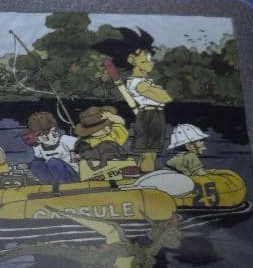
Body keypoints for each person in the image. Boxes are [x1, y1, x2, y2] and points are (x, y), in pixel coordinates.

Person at [92, 28, 171, 173]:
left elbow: (163, 96)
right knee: (149, 153)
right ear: (132, 60)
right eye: (145, 60)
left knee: (148, 153)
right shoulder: (139, 84)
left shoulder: (143, 81)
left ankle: (142, 174)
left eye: (150, 60)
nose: (150, 63)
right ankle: (147, 178)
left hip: (152, 115)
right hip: (150, 116)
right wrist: (157, 91)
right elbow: (165, 97)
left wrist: (156, 91)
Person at [24, 111, 79, 184]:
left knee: (53, 162)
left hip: (72, 174)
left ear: (54, 129)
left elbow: (83, 146)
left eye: (47, 133)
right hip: (55, 176)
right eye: (40, 136)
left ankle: (65, 184)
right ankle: (52, 185)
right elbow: (38, 161)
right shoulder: (39, 147)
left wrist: (77, 155)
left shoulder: (64, 140)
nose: (45, 137)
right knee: (35, 165)